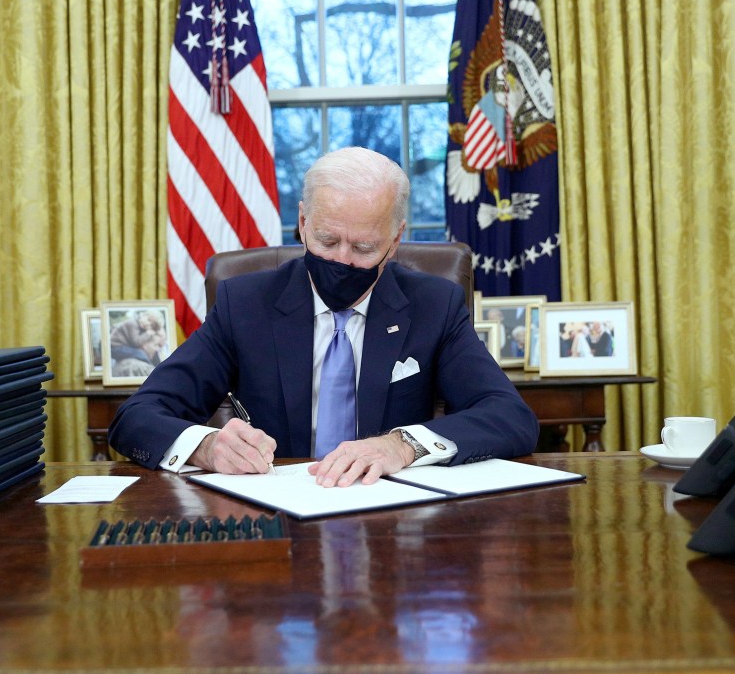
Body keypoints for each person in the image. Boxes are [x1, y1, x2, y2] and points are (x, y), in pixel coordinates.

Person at [108, 147, 539, 488]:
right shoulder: (246, 304)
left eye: (365, 247)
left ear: (395, 239)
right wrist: (205, 447)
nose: (343, 260)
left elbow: (509, 416)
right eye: (327, 239)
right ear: (302, 222)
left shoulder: (433, 306)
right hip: (277, 523)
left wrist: (403, 445)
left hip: (392, 523)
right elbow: (138, 416)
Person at [109, 309, 168, 378]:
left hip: (119, 348)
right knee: (140, 353)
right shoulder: (132, 324)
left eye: (151, 325)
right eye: (156, 345)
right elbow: (136, 342)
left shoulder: (139, 327)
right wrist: (148, 334)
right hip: (115, 347)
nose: (147, 324)